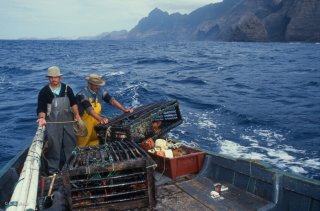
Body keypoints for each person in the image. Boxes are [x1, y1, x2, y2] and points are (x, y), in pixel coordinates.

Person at [37, 66, 81, 174]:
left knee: (70, 144)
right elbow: (41, 109)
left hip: (68, 122)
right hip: (52, 123)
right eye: (51, 77)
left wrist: (77, 115)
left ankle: (72, 168)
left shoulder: (67, 89)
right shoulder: (44, 92)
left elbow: (74, 103)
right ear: (48, 78)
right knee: (54, 147)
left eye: (55, 77)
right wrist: (42, 119)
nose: (54, 79)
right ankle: (53, 171)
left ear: (60, 77)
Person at [76, 74, 133, 147]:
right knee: (82, 144)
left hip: (95, 121)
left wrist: (124, 109)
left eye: (99, 84)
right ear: (89, 84)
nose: (98, 86)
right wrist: (101, 119)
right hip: (84, 123)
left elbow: (112, 100)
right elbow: (89, 109)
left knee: (98, 139)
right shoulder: (82, 94)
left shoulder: (100, 91)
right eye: (96, 85)